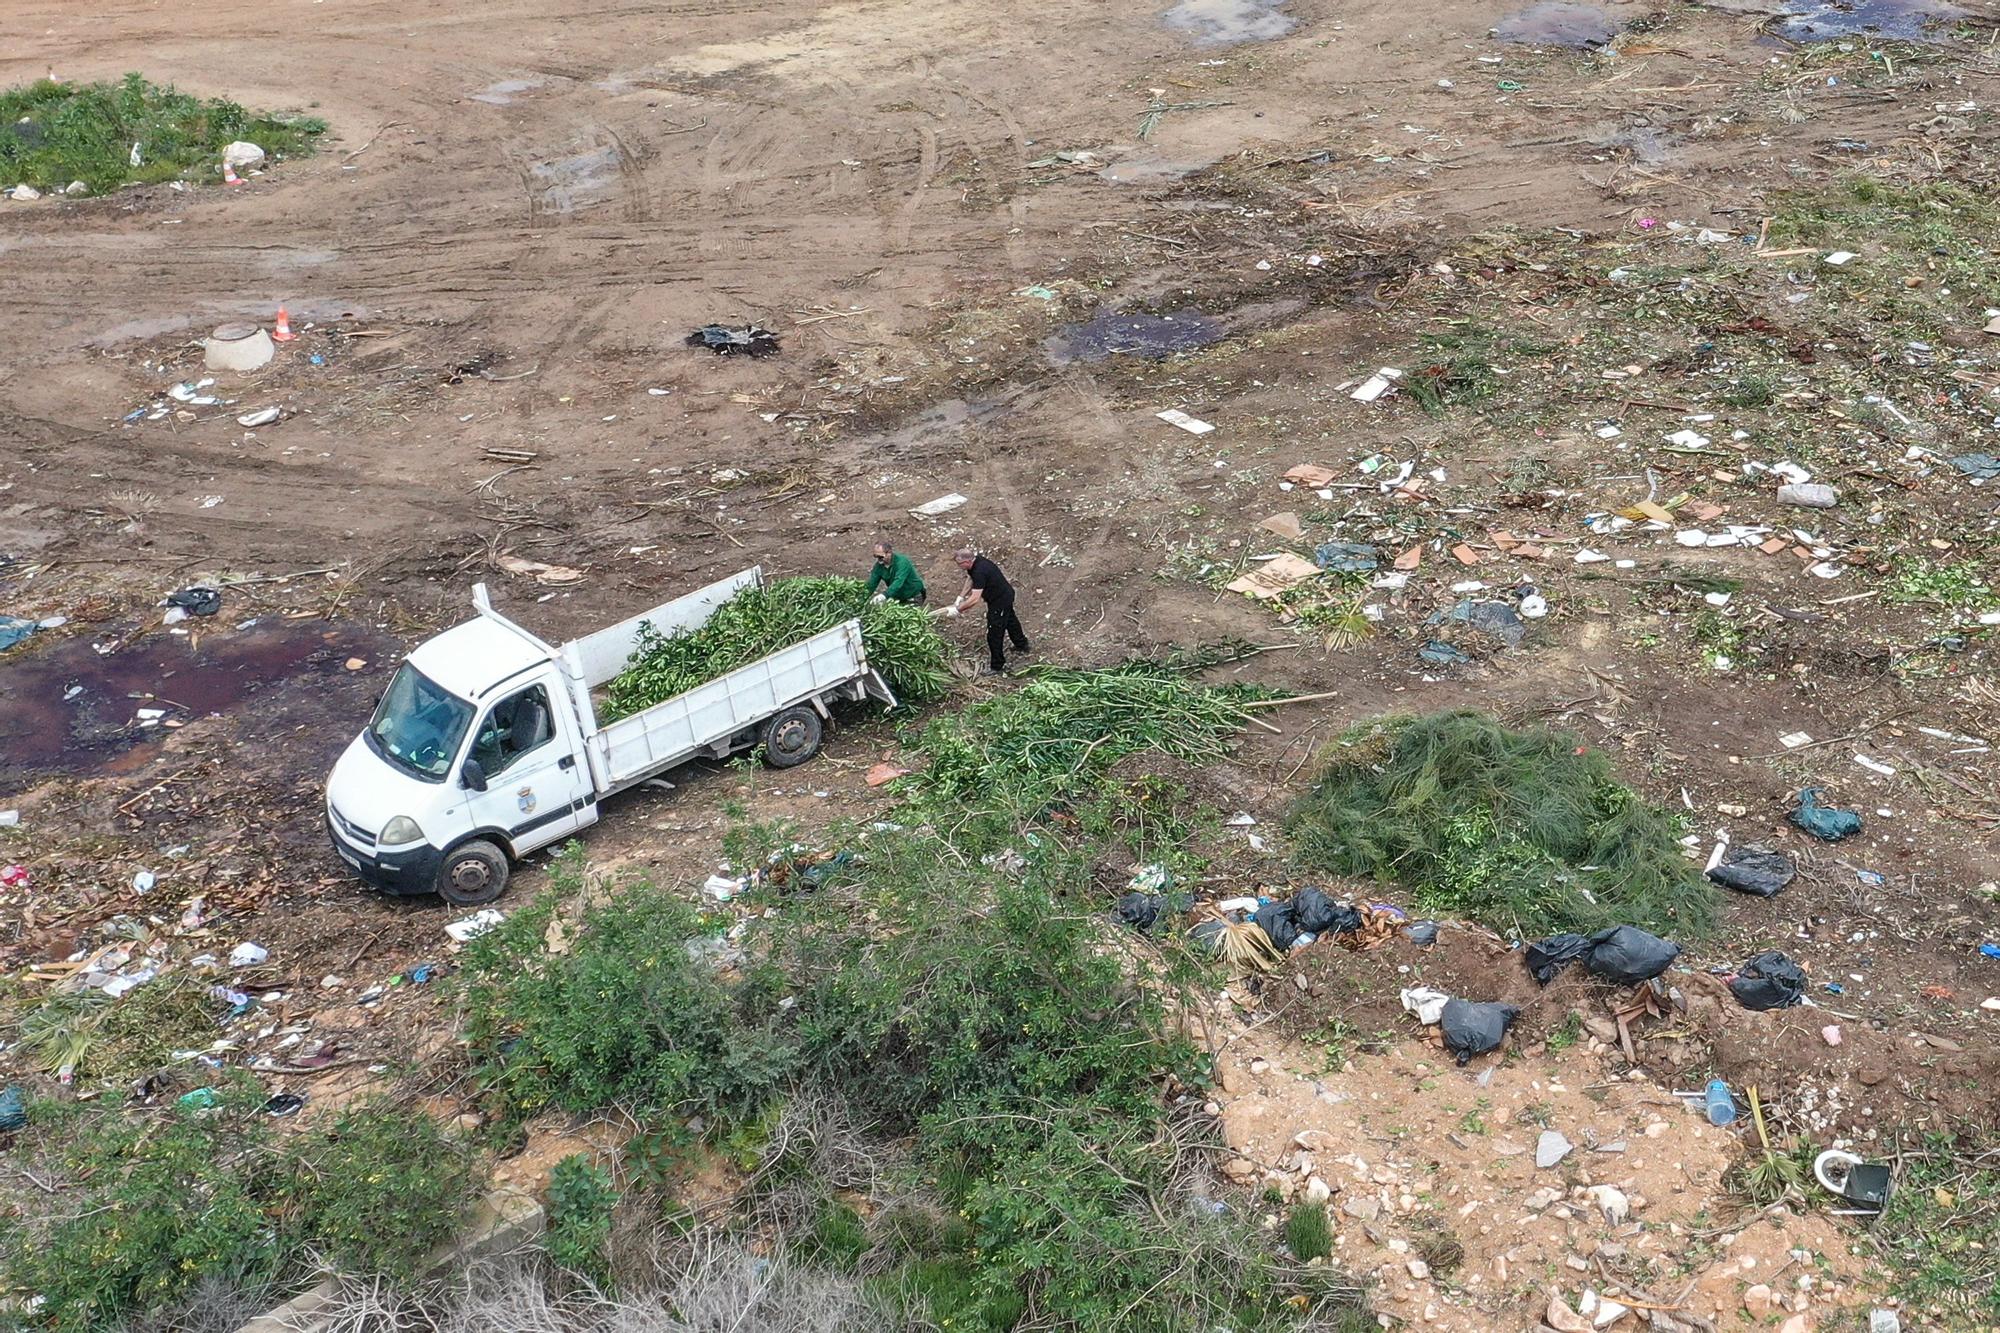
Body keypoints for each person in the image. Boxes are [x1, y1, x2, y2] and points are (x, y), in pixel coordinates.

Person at [951, 547, 1030, 674]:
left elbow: (974, 599)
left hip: (1000, 601)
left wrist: (958, 610)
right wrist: (960, 597)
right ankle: (1022, 645)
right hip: (1005, 594)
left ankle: (997, 665)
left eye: (959, 564)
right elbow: (970, 579)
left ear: (967, 561)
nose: (959, 566)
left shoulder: (980, 571)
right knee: (1010, 621)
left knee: (994, 633)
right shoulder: (977, 563)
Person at [865, 539, 926, 605]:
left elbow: (898, 581)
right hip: (898, 597)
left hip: (913, 595)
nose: (878, 559)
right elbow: (871, 584)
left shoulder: (902, 562)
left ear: (889, 553)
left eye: (880, 557)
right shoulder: (879, 566)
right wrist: (862, 597)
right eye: (876, 556)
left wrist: (884, 595)